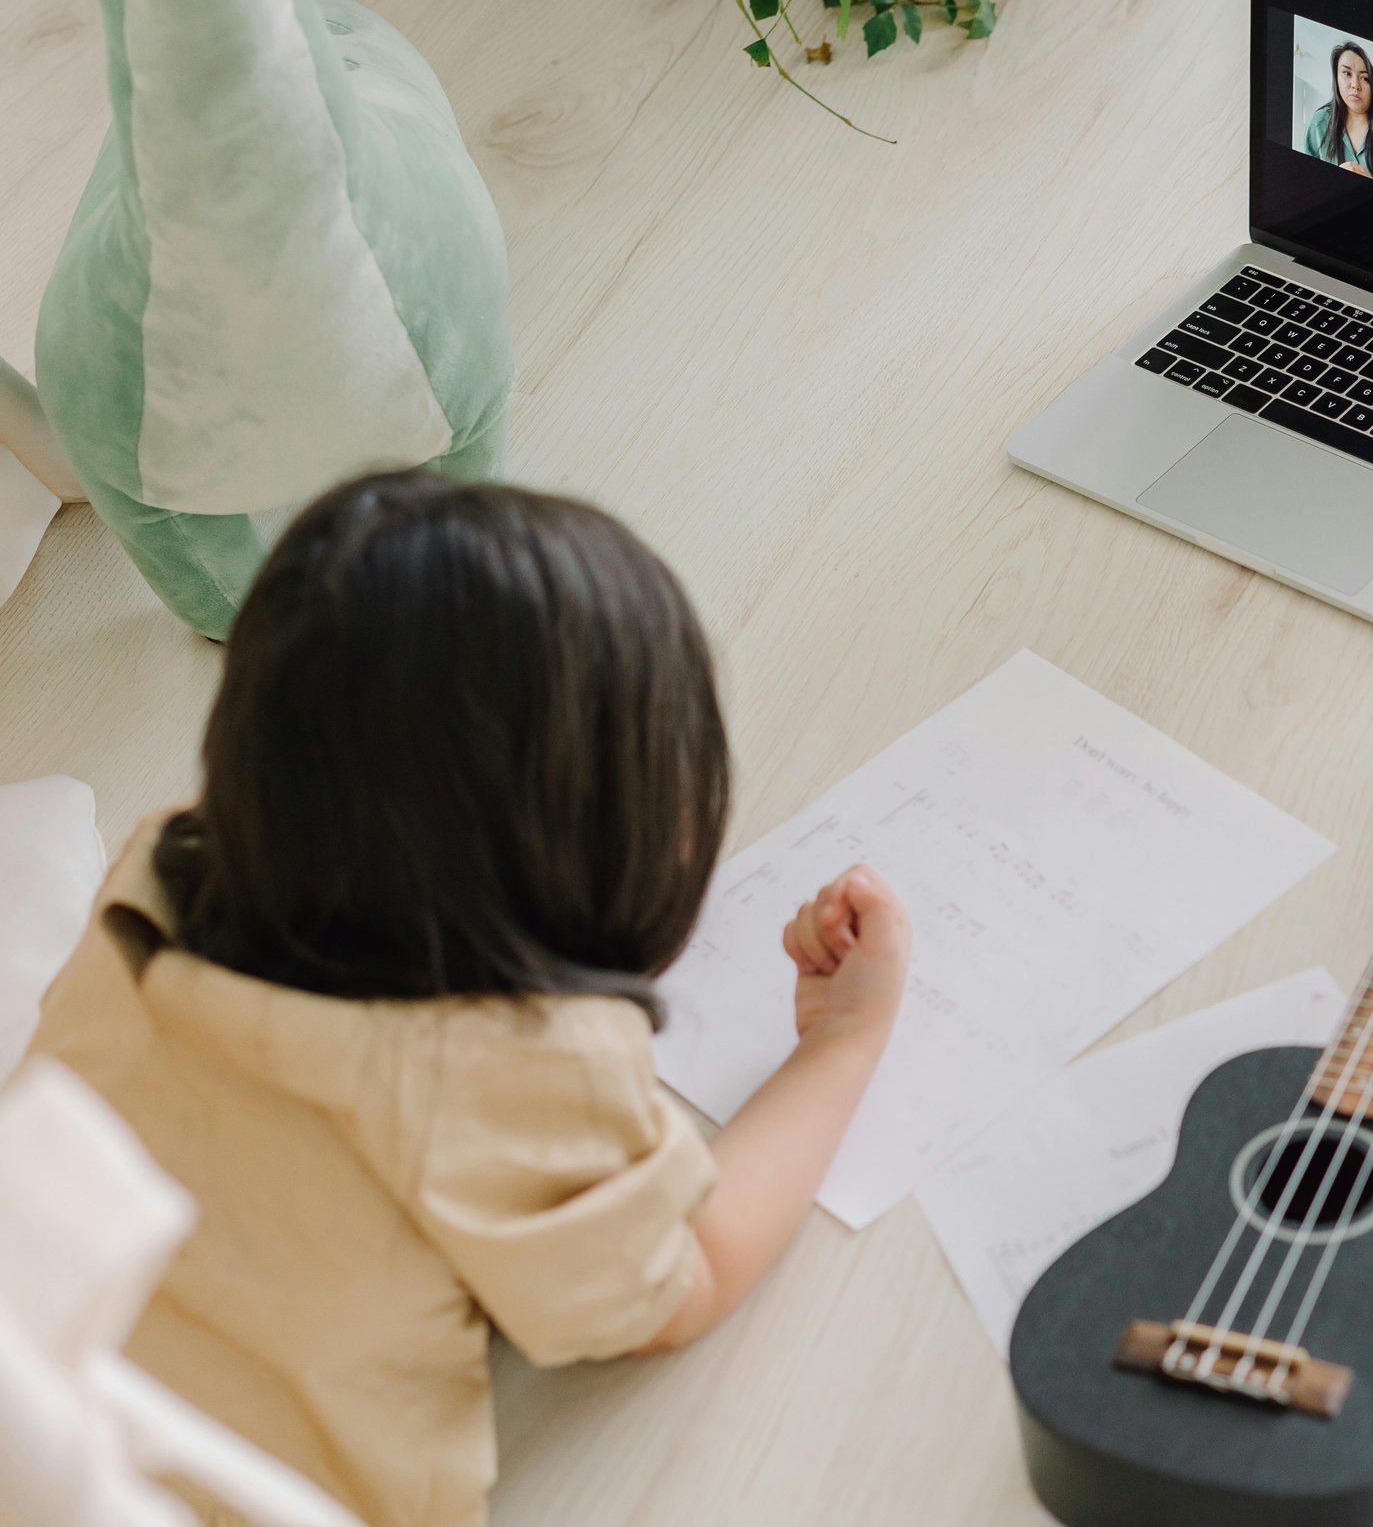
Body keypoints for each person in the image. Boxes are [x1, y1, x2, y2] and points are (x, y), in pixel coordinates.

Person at [15, 471, 910, 1527]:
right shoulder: (517, 1072)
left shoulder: (160, 870)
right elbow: (684, 1279)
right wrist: (842, 1041)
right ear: (585, 852)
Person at [1301, 40, 1373, 191]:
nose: (1355, 84)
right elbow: (1305, 182)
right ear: (1336, 77)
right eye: (1346, 73)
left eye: (1364, 78)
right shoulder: (1319, 123)